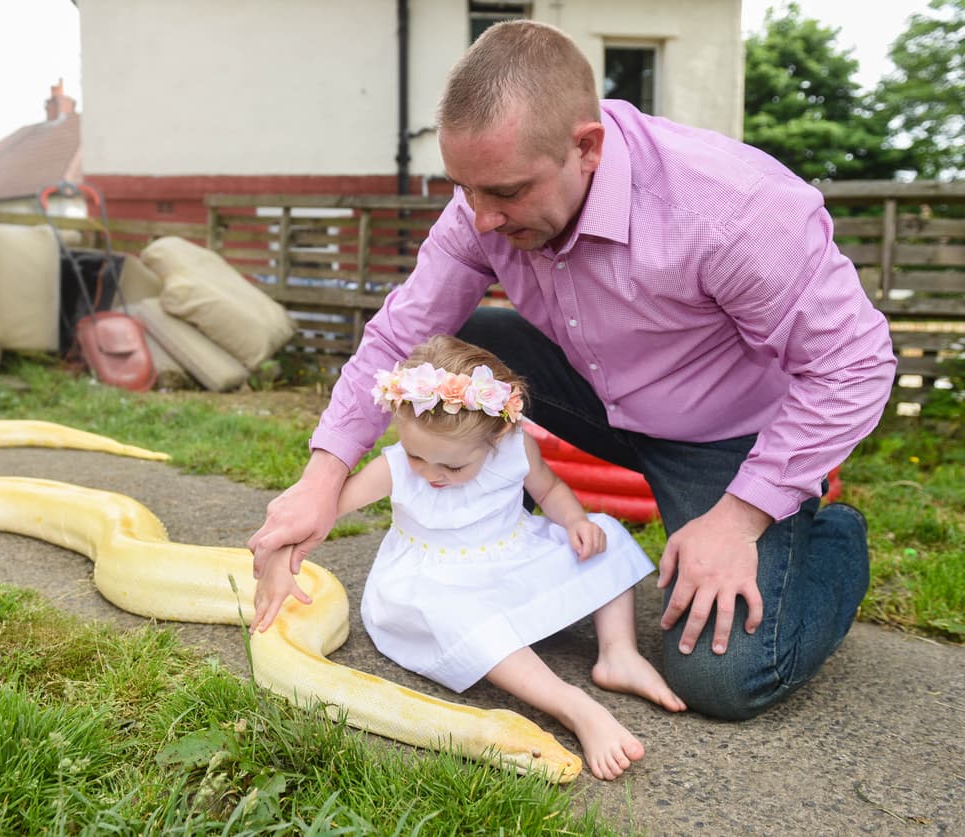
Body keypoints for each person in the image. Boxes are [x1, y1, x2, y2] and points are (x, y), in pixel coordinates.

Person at [249, 20, 896, 721]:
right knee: (444, 343)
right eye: (464, 189)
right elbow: (401, 333)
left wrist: (739, 519)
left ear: (586, 147)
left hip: (723, 433)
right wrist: (322, 477)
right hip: (601, 390)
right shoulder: (486, 204)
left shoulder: (730, 209)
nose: (482, 218)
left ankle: (830, 539)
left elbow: (856, 363)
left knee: (726, 675)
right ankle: (501, 531)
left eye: (504, 192)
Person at [252, 335, 685, 780]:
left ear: (500, 432)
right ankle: (571, 705)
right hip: (434, 583)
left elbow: (550, 490)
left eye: (453, 467)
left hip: (509, 554)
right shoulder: (398, 467)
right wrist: (281, 559)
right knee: (465, 620)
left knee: (605, 535)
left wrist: (575, 521)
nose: (431, 473)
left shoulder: (517, 448)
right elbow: (321, 508)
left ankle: (618, 653)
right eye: (418, 455)